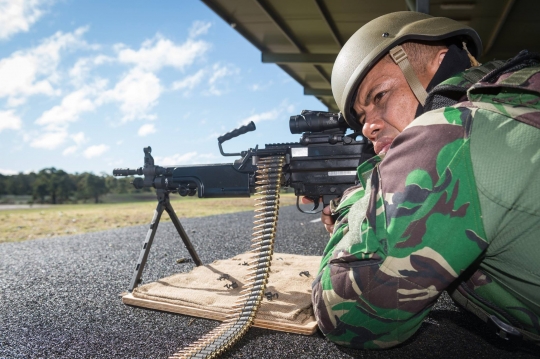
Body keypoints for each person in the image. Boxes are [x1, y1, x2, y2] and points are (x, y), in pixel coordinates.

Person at [311, 11, 540, 349]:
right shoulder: (511, 103)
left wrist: (357, 203)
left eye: (380, 96)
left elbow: (347, 312)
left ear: (439, 63)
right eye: (361, 119)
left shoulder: (449, 132)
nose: (367, 127)